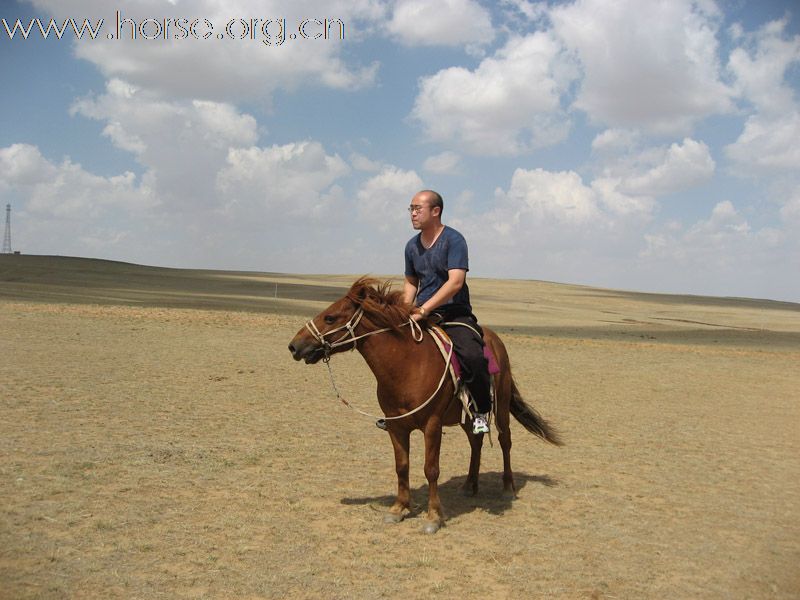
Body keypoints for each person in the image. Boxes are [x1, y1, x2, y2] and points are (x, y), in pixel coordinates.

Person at [402, 190, 492, 434]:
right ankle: (397, 413)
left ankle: (481, 411)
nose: (412, 213)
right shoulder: (411, 247)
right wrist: (404, 310)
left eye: (417, 208)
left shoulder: (454, 240)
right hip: (420, 313)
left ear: (436, 211)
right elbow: (411, 281)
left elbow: (455, 282)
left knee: (473, 356)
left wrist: (424, 308)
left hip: (454, 314)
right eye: (410, 208)